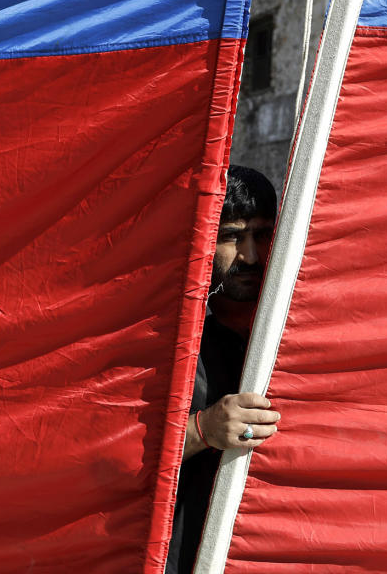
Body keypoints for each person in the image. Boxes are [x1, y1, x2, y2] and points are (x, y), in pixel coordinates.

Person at [165, 165, 282, 574]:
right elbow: (107, 453)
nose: (250, 256)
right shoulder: (170, 342)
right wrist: (203, 430)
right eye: (231, 237)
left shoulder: (297, 335)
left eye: (263, 235)